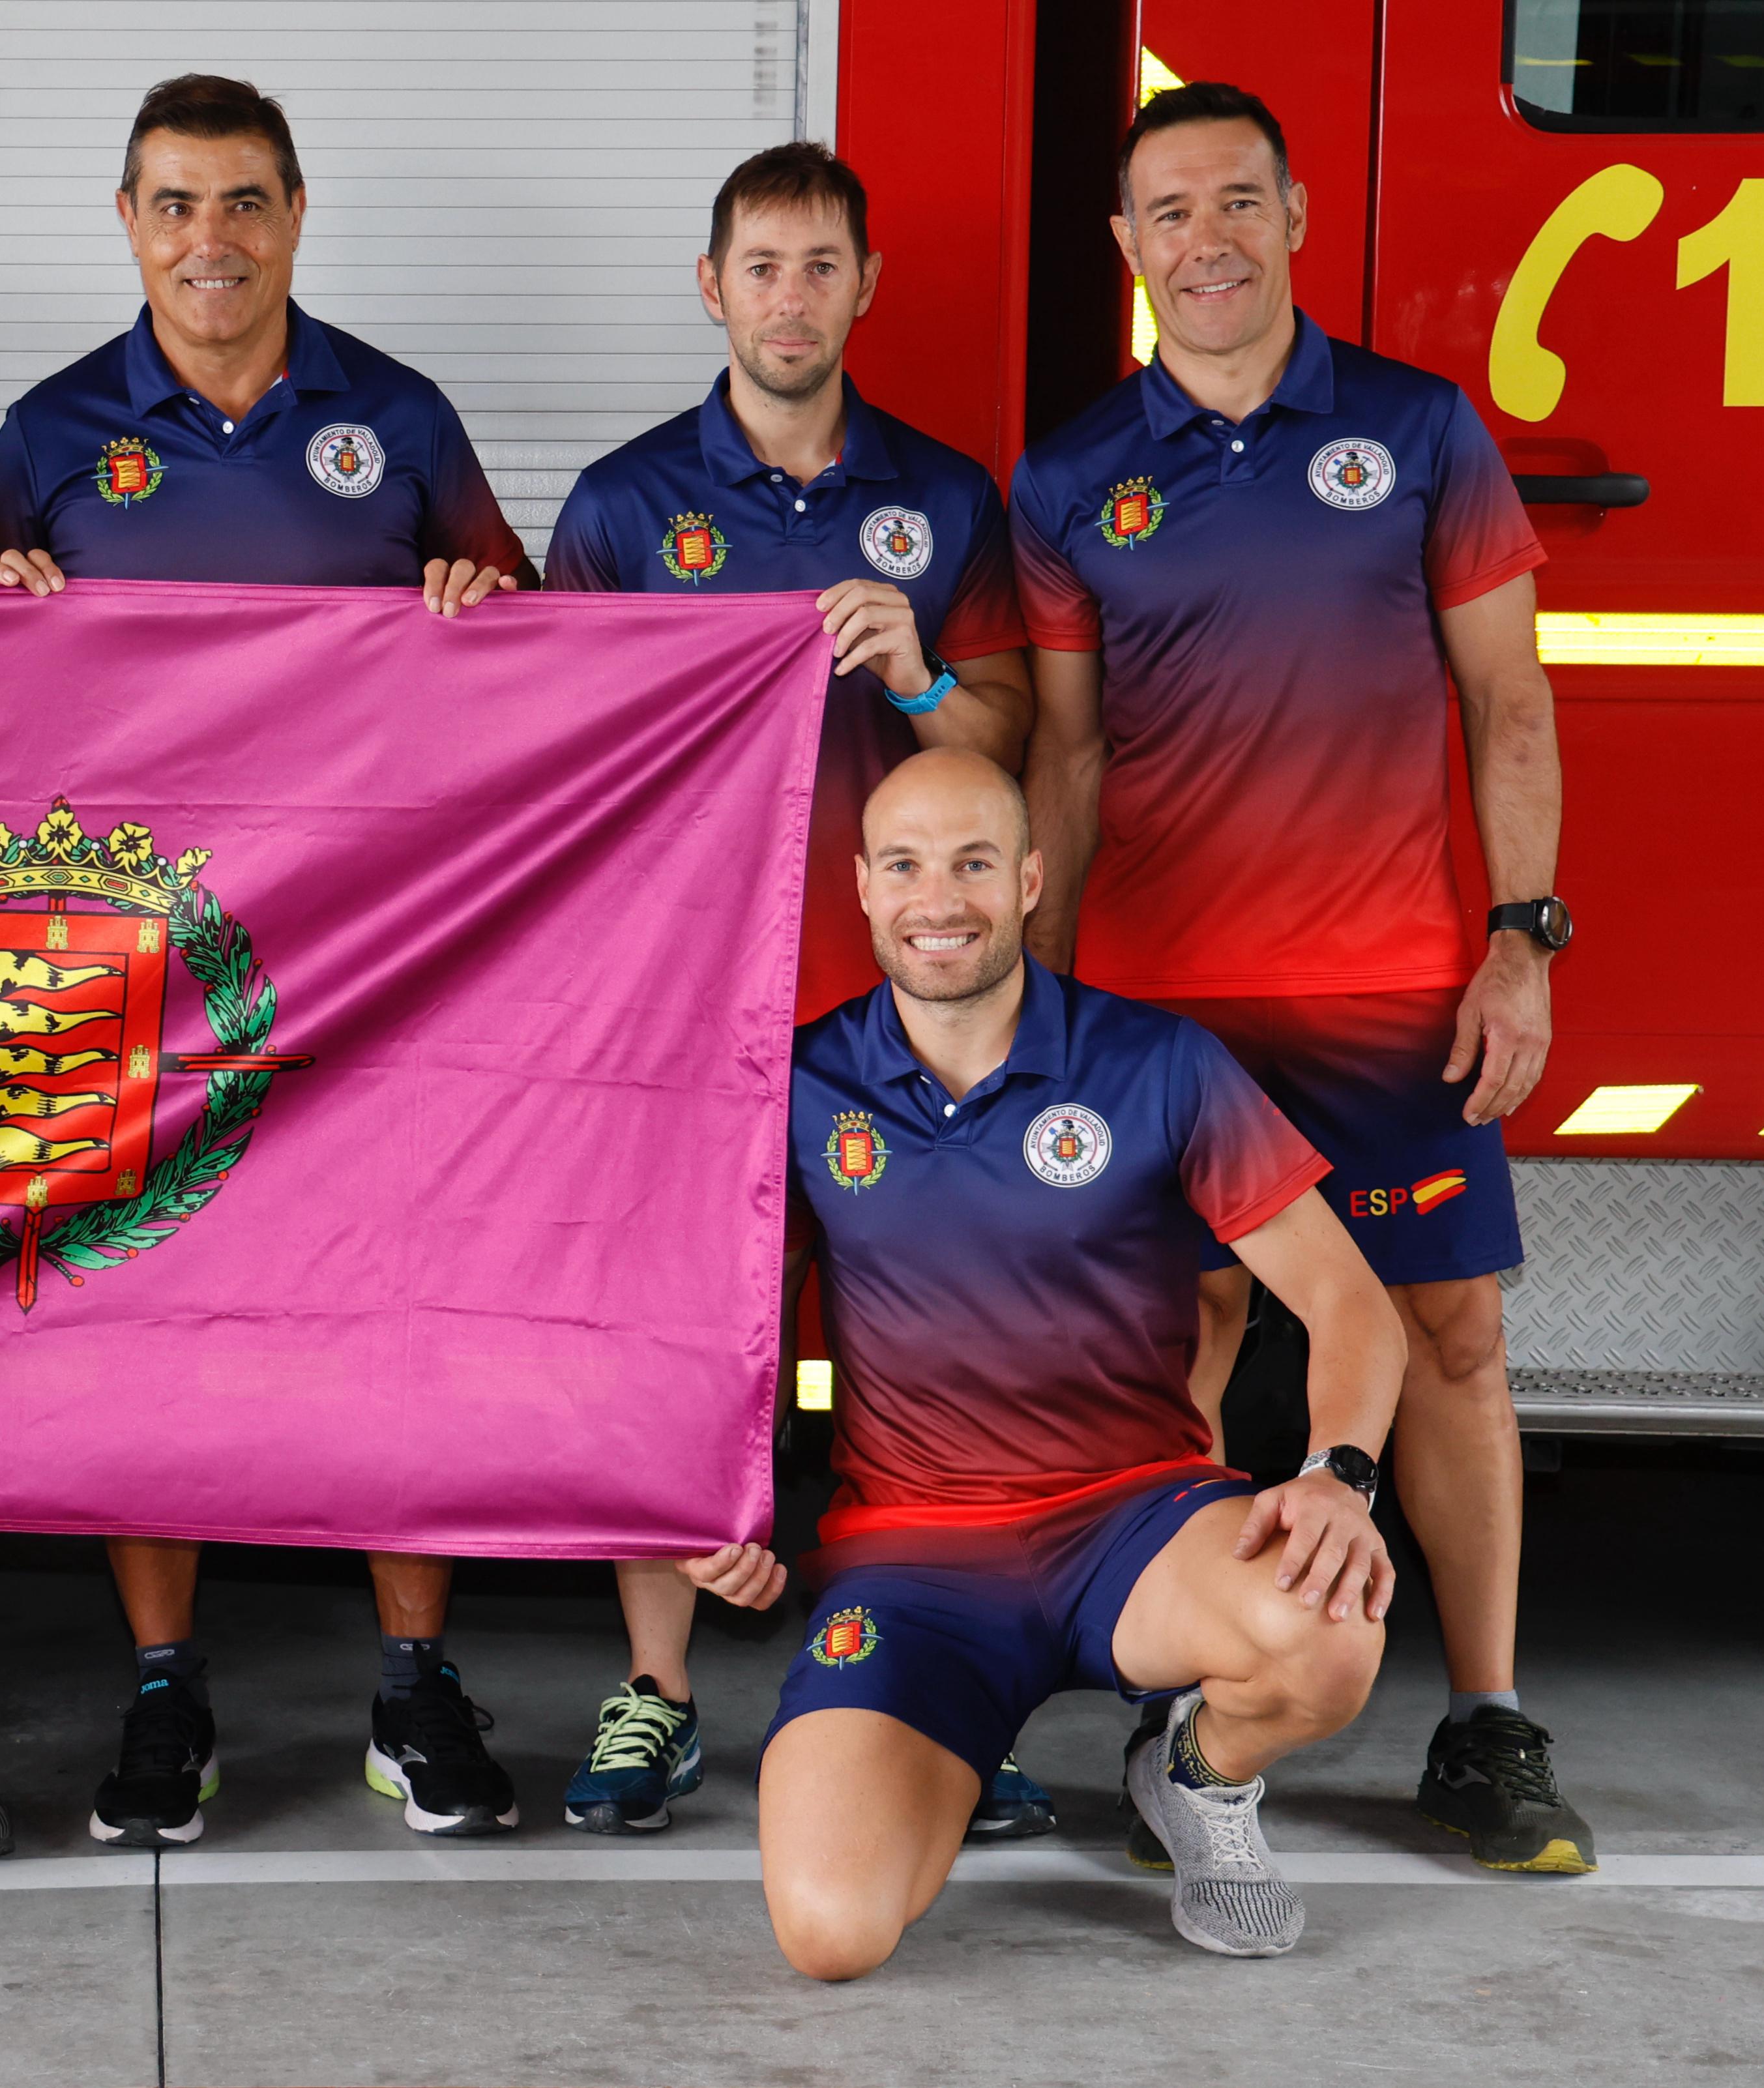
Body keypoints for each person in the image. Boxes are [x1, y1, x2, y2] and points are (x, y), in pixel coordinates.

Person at [1012, 81, 1590, 1872]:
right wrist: (1044, 1002)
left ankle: (1483, 1723)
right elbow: (1067, 759)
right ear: (1126, 247)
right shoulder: (1065, 477)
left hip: (1388, 996)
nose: (1207, 240)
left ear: (1295, 214)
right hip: (1166, 1007)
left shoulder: (1417, 430)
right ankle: (1187, 1705)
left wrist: (1519, 938)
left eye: (1236, 202)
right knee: (1174, 1340)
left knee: (1450, 1339)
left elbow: (1506, 701)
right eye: (1170, 211)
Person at [0, 74, 528, 1851]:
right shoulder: (51, 426)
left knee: (397, 1304)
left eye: (243, 201)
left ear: (293, 217)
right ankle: (162, 1686)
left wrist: (479, 611)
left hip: (372, 948)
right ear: (129, 224)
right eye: (175, 203)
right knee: (138, 1313)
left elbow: (536, 662)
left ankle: (413, 1683)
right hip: (121, 948)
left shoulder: (398, 414)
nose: (210, 238)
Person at [688, 749, 1400, 1976]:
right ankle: (945, 1746)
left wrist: (1338, 1473)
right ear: (861, 888)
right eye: (905, 865)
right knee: (831, 1934)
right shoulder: (799, 1084)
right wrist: (701, 1504)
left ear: (1027, 880)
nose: (938, 900)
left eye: (973, 864)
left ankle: (1197, 1777)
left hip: (1137, 1525)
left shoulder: (1158, 1064)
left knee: (1325, 1632)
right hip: (911, 1558)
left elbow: (1351, 1302)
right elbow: (711, 1325)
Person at [541, 140, 1046, 1843]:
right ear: (711, 287)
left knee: (922, 1368)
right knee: (672, 1358)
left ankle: (934, 1690)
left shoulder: (945, 498)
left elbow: (1004, 748)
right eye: (759, 265)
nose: (789, 297)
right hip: (691, 1016)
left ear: (864, 287)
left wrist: (916, 674)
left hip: (899, 1020)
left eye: (820, 265)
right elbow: (557, 763)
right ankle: (656, 1692)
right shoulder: (621, 505)